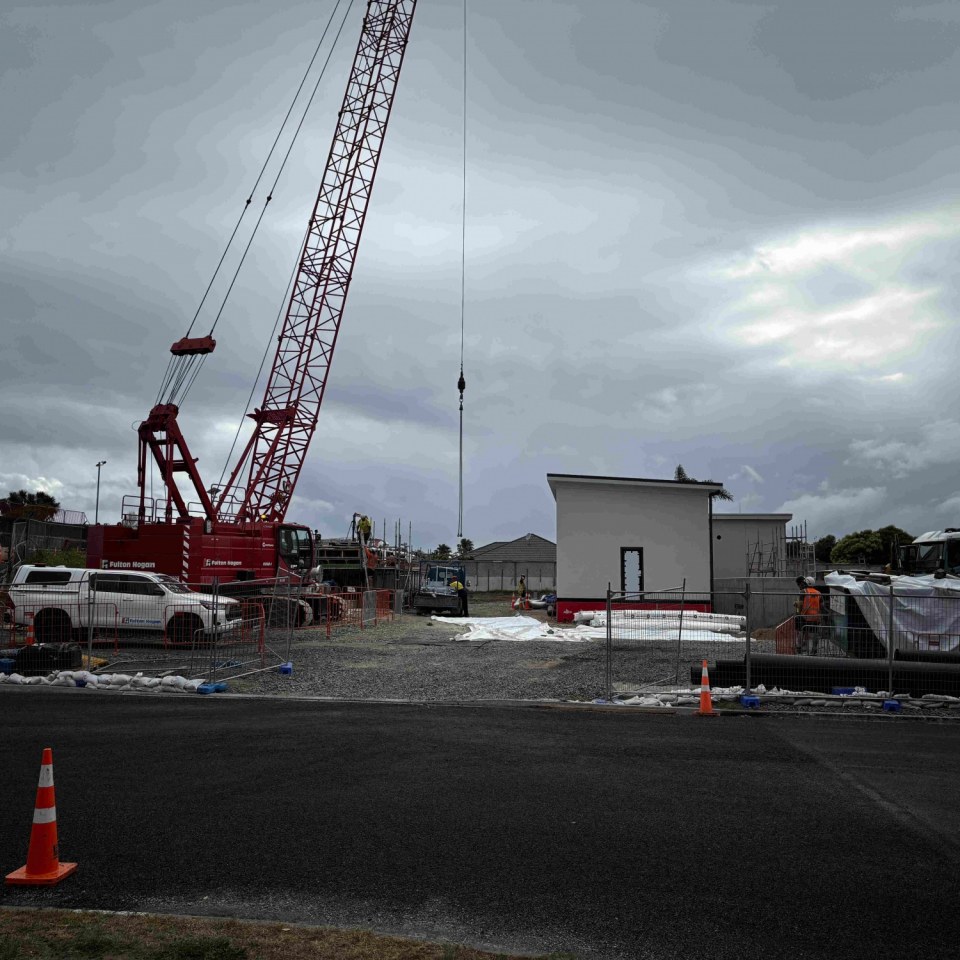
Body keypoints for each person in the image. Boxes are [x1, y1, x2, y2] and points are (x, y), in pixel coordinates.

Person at [794, 576, 822, 655]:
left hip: (805, 617)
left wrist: (797, 611)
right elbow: (822, 606)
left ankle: (799, 647)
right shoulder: (818, 593)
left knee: (800, 631)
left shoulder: (804, 592)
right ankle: (814, 649)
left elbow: (800, 605)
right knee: (815, 634)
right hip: (815, 618)